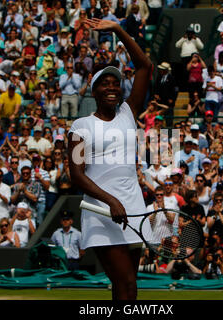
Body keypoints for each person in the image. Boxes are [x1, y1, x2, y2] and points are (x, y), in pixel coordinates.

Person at [68, 18, 152, 300]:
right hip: (103, 212)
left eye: (116, 83)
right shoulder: (81, 125)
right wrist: (111, 201)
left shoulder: (129, 113)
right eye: (105, 84)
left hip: (134, 209)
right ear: (94, 92)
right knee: (125, 282)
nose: (112, 87)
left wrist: (118, 30)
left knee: (127, 287)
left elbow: (144, 67)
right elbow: (76, 175)